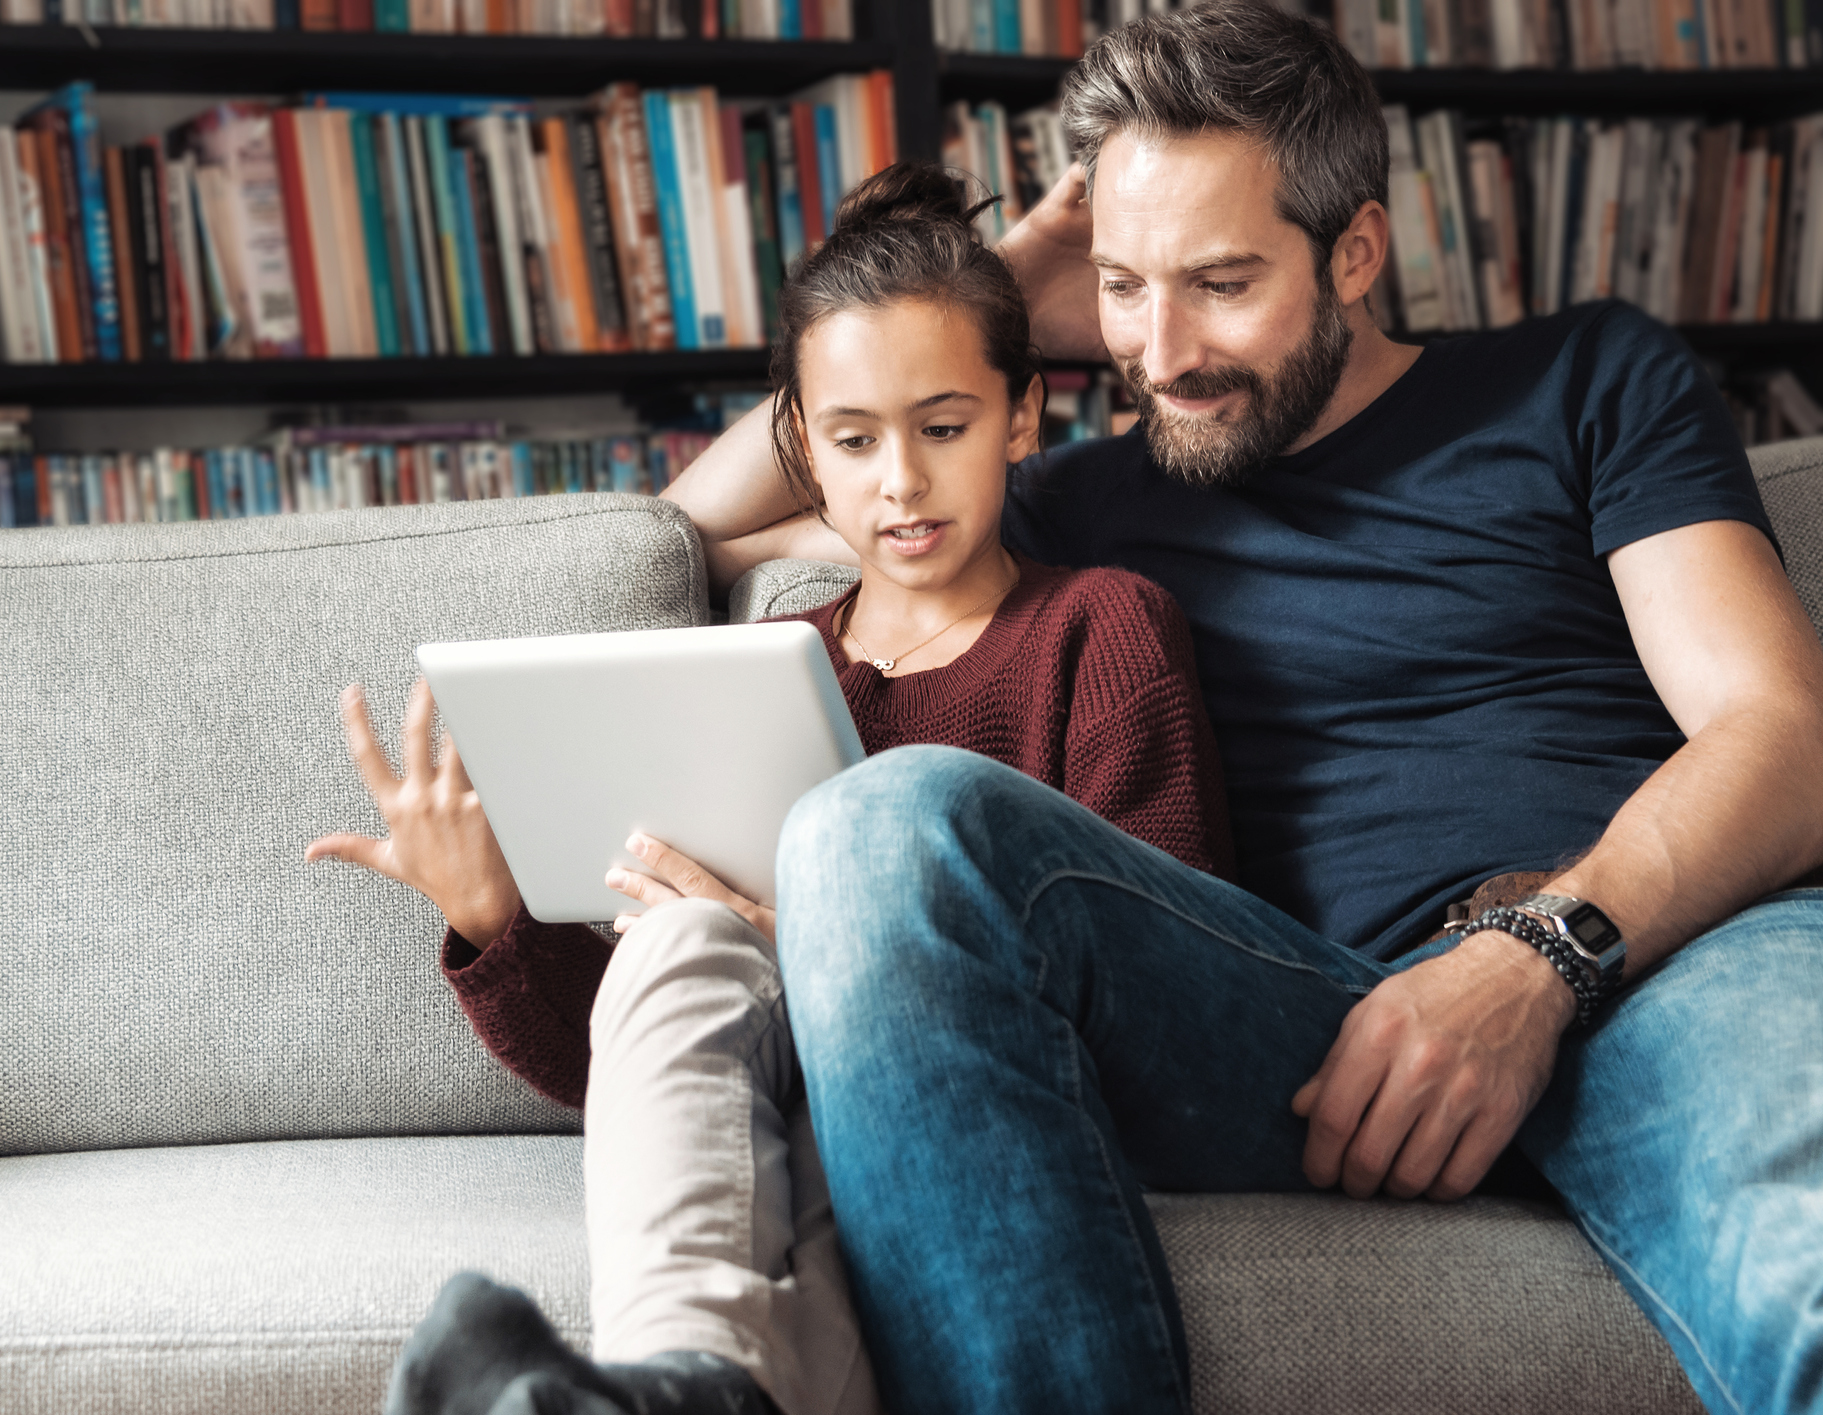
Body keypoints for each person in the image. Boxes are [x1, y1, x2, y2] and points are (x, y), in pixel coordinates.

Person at [666, 6, 1823, 1414]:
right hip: (1296, 1019)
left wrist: (1534, 954)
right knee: (876, 827)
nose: (1160, 350)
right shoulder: (1069, 499)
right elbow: (687, 530)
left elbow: (1781, 730)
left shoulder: (1582, 381)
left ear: (1352, 249)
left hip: (1651, 953)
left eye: (1217, 281)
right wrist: (982, 290)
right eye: (1120, 287)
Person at [304, 165, 1238, 1415]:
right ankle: (686, 1382)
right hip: (776, 1114)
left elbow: (1167, 974)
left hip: (977, 1105)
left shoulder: (1100, 627)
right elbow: (636, 1078)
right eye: (853, 440)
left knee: (771, 986)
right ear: (801, 448)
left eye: (944, 426)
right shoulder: (756, 682)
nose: (899, 479)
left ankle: (680, 1390)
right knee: (680, 933)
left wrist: (836, 955)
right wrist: (493, 916)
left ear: (1023, 418)